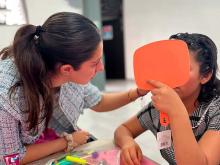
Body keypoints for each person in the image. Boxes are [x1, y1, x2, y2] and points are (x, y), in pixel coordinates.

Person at [0, 12, 147, 164]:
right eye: (94, 63)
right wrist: (67, 141)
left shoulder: (62, 69)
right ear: (67, 69)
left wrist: (136, 93)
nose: (101, 68)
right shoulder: (7, 96)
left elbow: (99, 101)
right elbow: (11, 158)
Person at [114, 33, 220, 165]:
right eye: (168, 67)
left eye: (181, 68)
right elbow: (123, 129)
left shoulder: (215, 111)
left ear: (205, 75)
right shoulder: (158, 108)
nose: (170, 75)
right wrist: (127, 143)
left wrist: (177, 112)